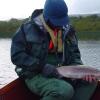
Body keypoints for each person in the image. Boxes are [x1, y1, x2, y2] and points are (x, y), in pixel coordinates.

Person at [11, 0, 97, 100]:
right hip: (35, 73)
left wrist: (81, 73)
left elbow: (75, 57)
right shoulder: (26, 29)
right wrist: (41, 66)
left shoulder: (69, 31)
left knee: (91, 83)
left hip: (65, 72)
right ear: (46, 17)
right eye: (56, 21)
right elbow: (16, 56)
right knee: (64, 90)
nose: (60, 25)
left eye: (62, 20)